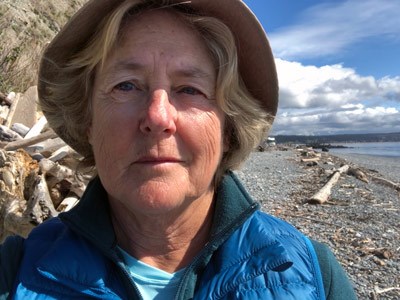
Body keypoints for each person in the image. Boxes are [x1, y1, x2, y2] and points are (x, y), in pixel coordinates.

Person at [0, 0, 357, 299]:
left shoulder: (314, 277)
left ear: (228, 129)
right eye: (126, 85)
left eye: (189, 89)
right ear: (88, 121)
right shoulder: (15, 273)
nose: (158, 116)